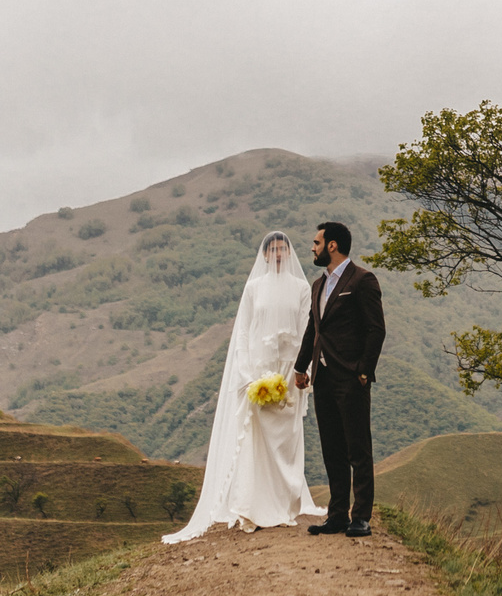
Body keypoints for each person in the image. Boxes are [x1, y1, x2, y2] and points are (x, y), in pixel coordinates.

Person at [161, 232, 324, 541]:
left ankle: (285, 504)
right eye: (272, 249)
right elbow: (245, 334)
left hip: (290, 372)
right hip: (259, 373)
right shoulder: (254, 288)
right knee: (256, 439)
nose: (277, 254)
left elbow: (307, 329)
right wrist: (247, 374)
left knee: (287, 439)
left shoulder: (302, 288)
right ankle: (254, 506)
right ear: (264, 255)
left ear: (289, 253)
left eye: (282, 249)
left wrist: (303, 371)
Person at [294, 219, 383, 537]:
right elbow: (312, 329)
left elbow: (376, 329)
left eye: (316, 243)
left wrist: (363, 371)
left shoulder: (362, 280)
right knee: (331, 447)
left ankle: (360, 517)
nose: (312, 248)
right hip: (323, 378)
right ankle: (337, 515)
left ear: (332, 245)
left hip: (350, 378)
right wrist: (300, 367)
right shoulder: (318, 285)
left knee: (358, 448)